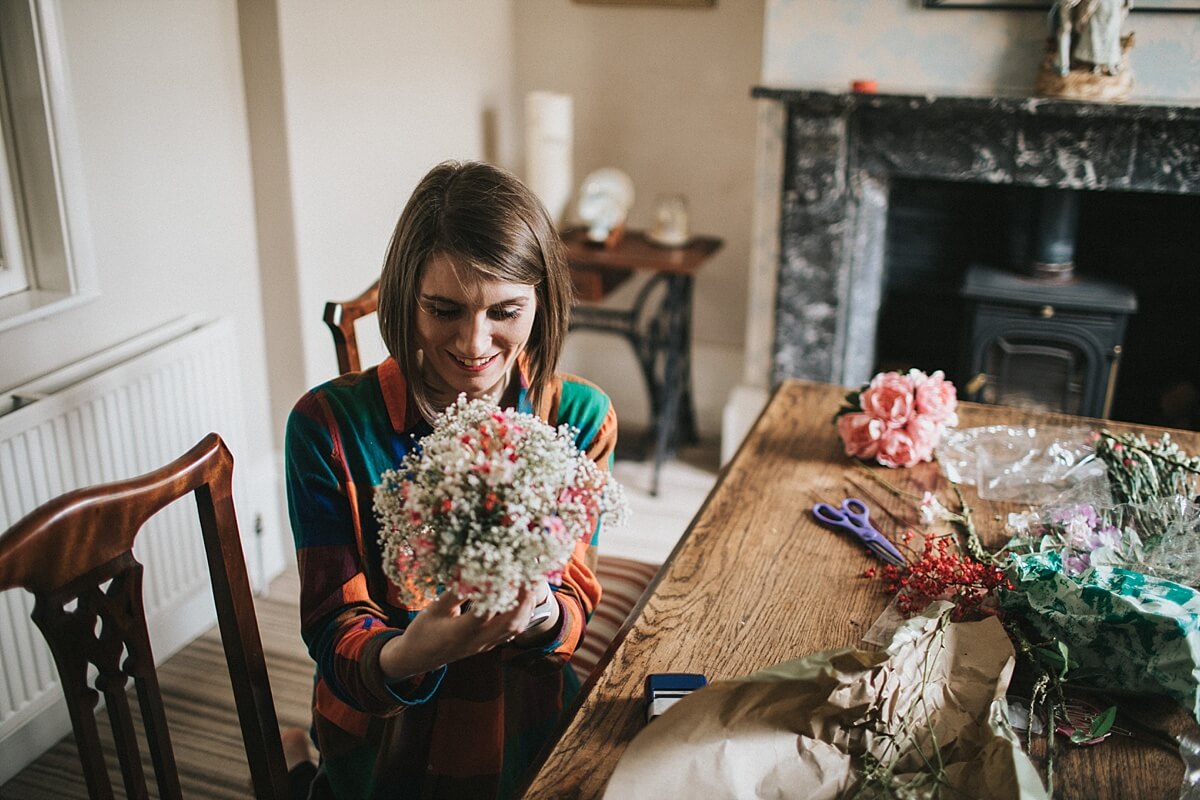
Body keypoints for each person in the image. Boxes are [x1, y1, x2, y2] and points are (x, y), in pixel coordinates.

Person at [283, 160, 616, 799]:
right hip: (388, 735)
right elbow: (333, 628)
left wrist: (543, 614)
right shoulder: (325, 425)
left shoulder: (579, 417)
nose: (474, 342)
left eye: (505, 311)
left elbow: (576, 596)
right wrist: (413, 652)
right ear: (406, 299)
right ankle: (302, 760)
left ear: (542, 301)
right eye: (445, 310)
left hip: (523, 719)